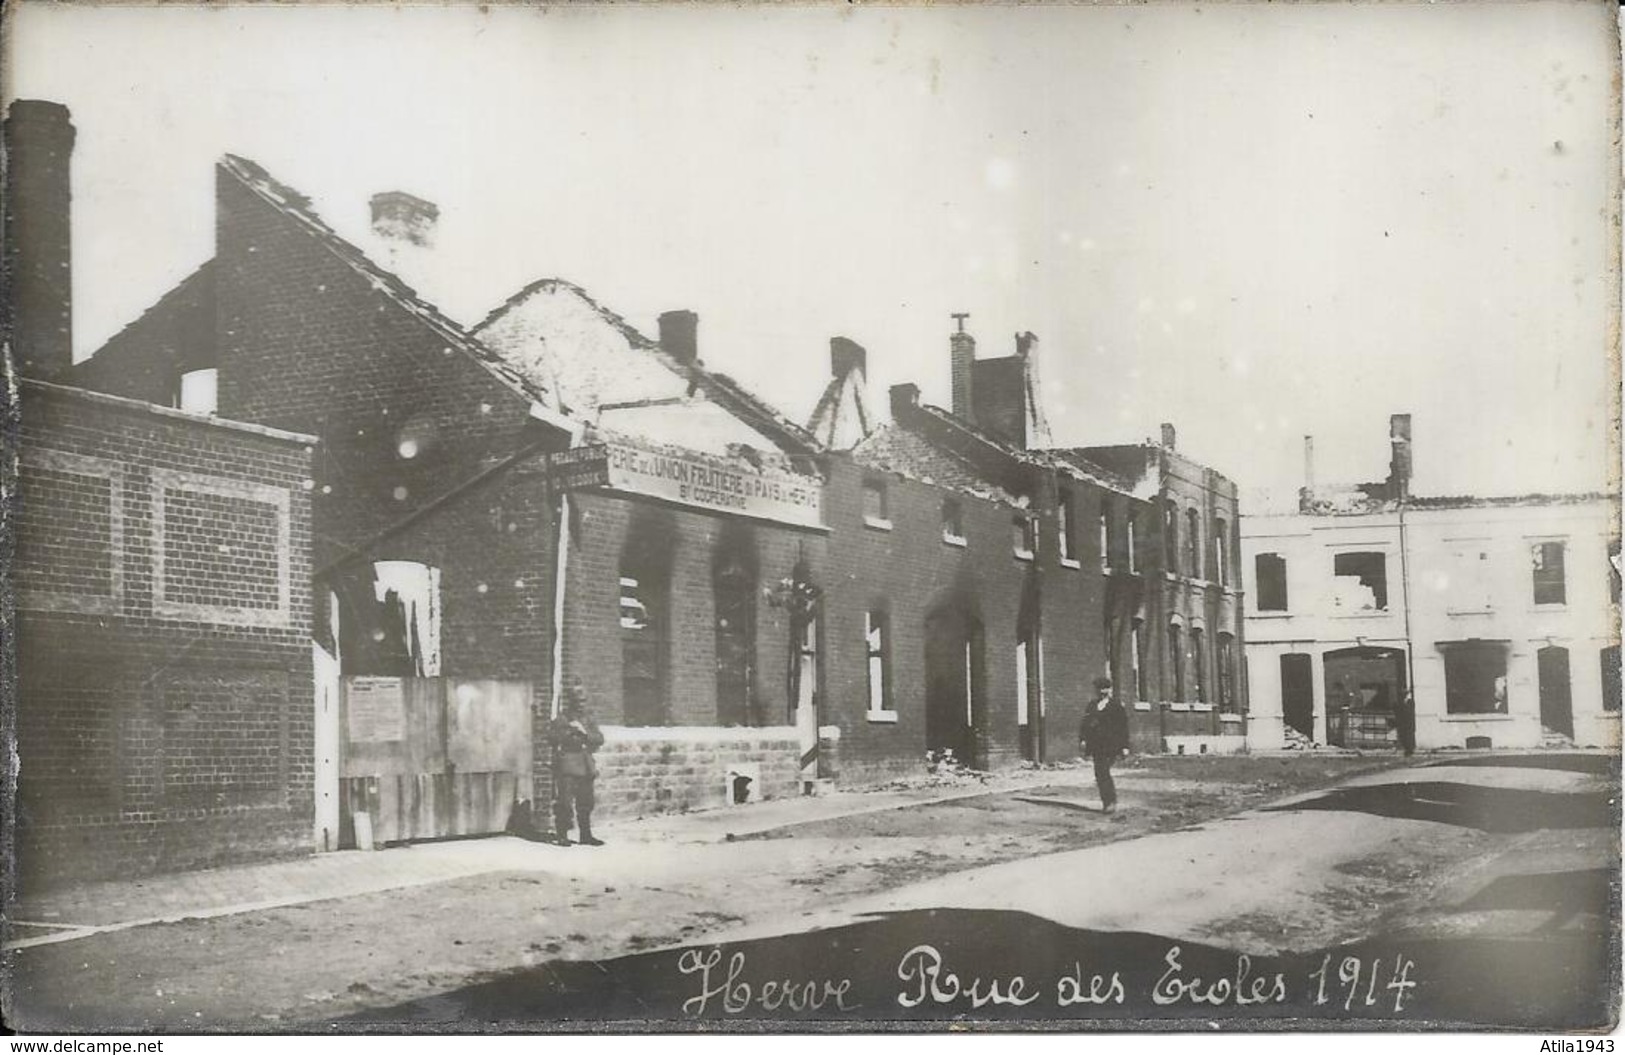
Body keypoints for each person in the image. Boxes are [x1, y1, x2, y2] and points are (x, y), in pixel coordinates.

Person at [549, 680, 606, 846]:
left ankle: (586, 835)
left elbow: (599, 738)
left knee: (586, 802)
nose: (581, 704)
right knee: (565, 803)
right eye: (577, 701)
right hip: (568, 766)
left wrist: (584, 732)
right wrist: (569, 732)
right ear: (571, 701)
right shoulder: (562, 718)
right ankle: (562, 834)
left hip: (586, 766)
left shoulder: (588, 719)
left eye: (583, 700)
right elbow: (552, 738)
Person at [1078, 675, 1129, 813]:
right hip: (1096, 745)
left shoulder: (1116, 706)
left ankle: (1110, 802)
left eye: (1105, 688)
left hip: (1111, 744)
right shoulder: (1092, 705)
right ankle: (1106, 801)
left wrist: (1125, 746)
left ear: (1109, 690)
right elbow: (1085, 724)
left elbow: (1123, 727)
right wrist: (1083, 739)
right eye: (1099, 689)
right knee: (1099, 773)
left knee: (1104, 771)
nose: (1102, 691)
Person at [1394, 690, 1417, 757]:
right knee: (1404, 737)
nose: (1404, 697)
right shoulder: (1399, 704)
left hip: (1409, 723)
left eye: (1405, 695)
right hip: (1403, 724)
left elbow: (1410, 712)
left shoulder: (1410, 702)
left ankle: (1410, 750)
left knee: (1409, 736)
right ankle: (1407, 749)